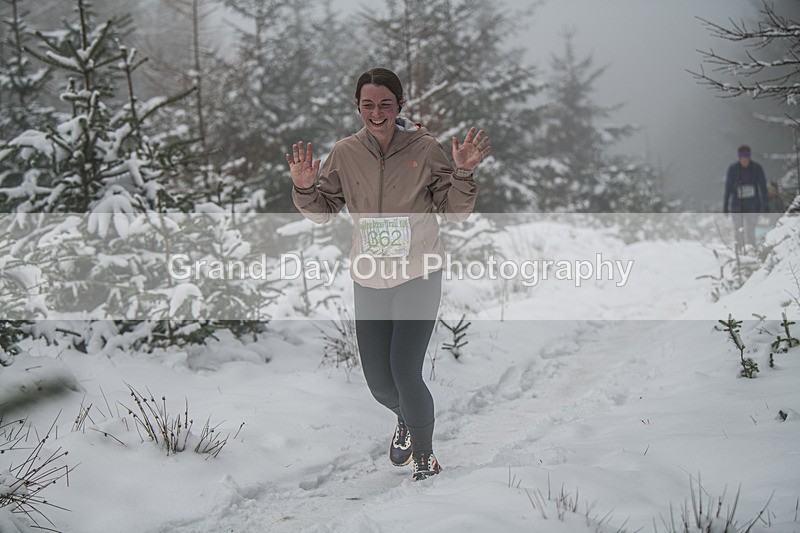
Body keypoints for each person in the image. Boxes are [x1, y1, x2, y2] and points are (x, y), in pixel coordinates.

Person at [287, 67, 490, 481]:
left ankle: (425, 457)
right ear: (357, 106)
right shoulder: (345, 152)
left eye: (384, 103)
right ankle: (406, 420)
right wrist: (305, 188)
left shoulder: (426, 147)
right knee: (379, 383)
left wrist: (464, 173)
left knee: (404, 369)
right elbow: (324, 213)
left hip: (418, 272)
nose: (375, 112)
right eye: (367, 104)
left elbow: (454, 212)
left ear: (399, 105)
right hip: (370, 277)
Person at [723, 145, 768, 250]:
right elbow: (728, 188)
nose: (744, 160)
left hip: (753, 205)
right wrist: (725, 205)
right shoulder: (733, 169)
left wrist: (765, 204)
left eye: (746, 157)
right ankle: (740, 252)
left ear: (749, 157)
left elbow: (763, 187)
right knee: (738, 230)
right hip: (737, 206)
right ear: (739, 157)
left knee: (750, 231)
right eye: (742, 157)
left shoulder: (756, 168)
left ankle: (752, 251)